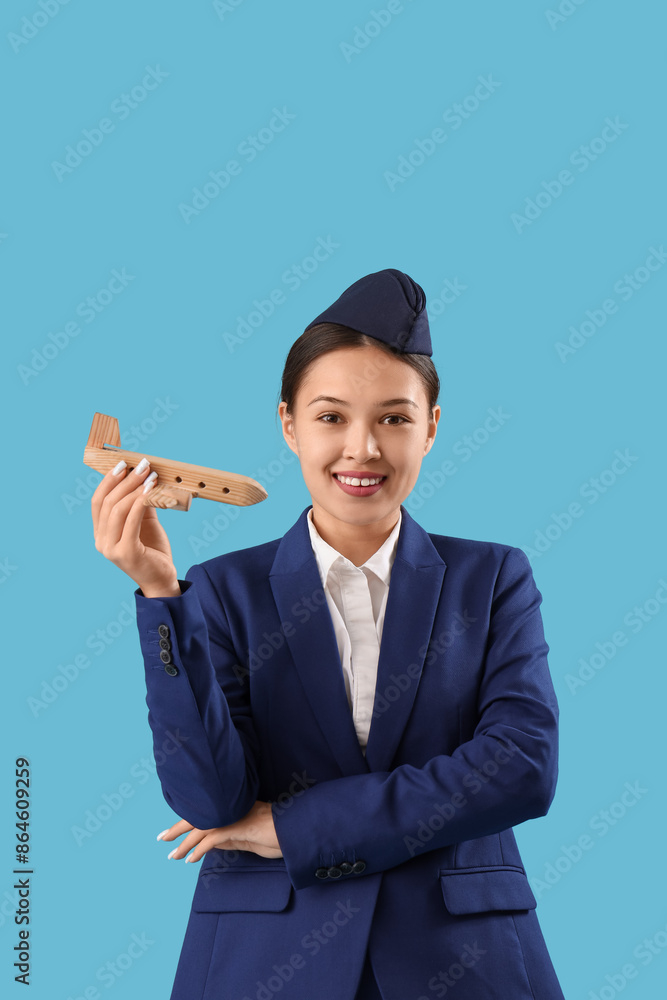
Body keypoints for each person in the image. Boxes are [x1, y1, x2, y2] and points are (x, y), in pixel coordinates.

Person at [90, 269, 566, 999]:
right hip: (265, 959)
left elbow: (521, 768)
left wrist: (296, 829)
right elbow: (210, 801)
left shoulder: (492, 578)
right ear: (288, 423)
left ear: (432, 426)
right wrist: (161, 597)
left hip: (464, 961)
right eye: (331, 417)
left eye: (394, 418)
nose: (362, 449)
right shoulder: (219, 590)